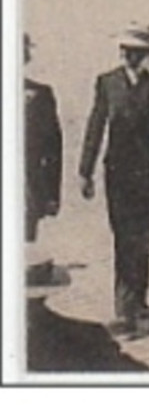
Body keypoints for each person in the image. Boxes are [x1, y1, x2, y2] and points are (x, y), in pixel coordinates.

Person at [78, 24, 149, 335]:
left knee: (144, 236)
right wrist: (85, 170)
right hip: (119, 174)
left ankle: (138, 298)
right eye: (124, 49)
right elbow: (96, 125)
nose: (127, 55)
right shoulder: (107, 82)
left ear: (148, 53)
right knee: (125, 239)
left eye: (135, 51)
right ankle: (124, 311)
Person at [24, 35, 64, 286]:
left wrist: (51, 194)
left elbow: (53, 149)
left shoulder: (40, 94)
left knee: (24, 253)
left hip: (27, 190)